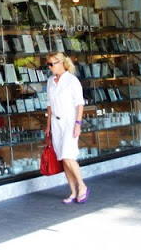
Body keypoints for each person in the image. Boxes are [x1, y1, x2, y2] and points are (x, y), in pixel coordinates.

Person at [45, 52, 89, 204]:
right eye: (48, 64)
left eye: (52, 64)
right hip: (56, 123)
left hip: (69, 122)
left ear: (61, 63)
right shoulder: (50, 82)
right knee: (63, 158)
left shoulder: (72, 80)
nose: (50, 67)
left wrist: (78, 124)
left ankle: (82, 186)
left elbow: (80, 104)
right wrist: (48, 125)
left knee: (69, 156)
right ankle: (73, 191)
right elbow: (49, 105)